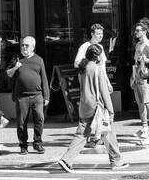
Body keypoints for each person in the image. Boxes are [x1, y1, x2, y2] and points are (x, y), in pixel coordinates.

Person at [53, 43, 128, 172]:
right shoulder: (97, 69)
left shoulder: (83, 68)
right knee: (108, 132)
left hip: (84, 104)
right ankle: (116, 161)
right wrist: (110, 109)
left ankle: (66, 160)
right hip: (96, 105)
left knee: (81, 134)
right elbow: (104, 91)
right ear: (97, 56)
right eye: (101, 55)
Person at [7, 35, 49, 154]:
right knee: (21, 122)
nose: (24, 47)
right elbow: (8, 74)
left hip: (37, 96)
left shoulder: (39, 60)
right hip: (22, 96)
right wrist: (15, 67)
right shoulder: (17, 58)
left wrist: (47, 96)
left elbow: (44, 78)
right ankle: (23, 145)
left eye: (27, 45)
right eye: (22, 45)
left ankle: (38, 143)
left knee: (39, 119)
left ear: (33, 47)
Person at [131, 20, 149, 139]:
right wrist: (133, 76)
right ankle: (144, 125)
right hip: (137, 76)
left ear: (144, 32)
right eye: (136, 30)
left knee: (146, 103)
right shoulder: (138, 45)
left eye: (138, 30)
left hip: (145, 77)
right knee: (140, 103)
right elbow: (135, 62)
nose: (136, 32)